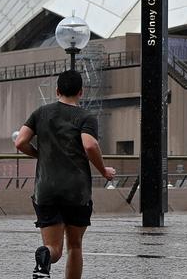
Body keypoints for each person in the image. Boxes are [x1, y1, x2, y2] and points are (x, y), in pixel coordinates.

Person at [14, 69, 116, 279]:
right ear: (81, 92)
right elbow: (90, 145)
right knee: (75, 246)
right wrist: (104, 170)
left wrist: (38, 155)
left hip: (46, 189)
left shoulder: (40, 113)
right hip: (76, 191)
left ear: (57, 90)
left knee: (53, 248)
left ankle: (44, 258)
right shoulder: (85, 117)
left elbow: (20, 142)